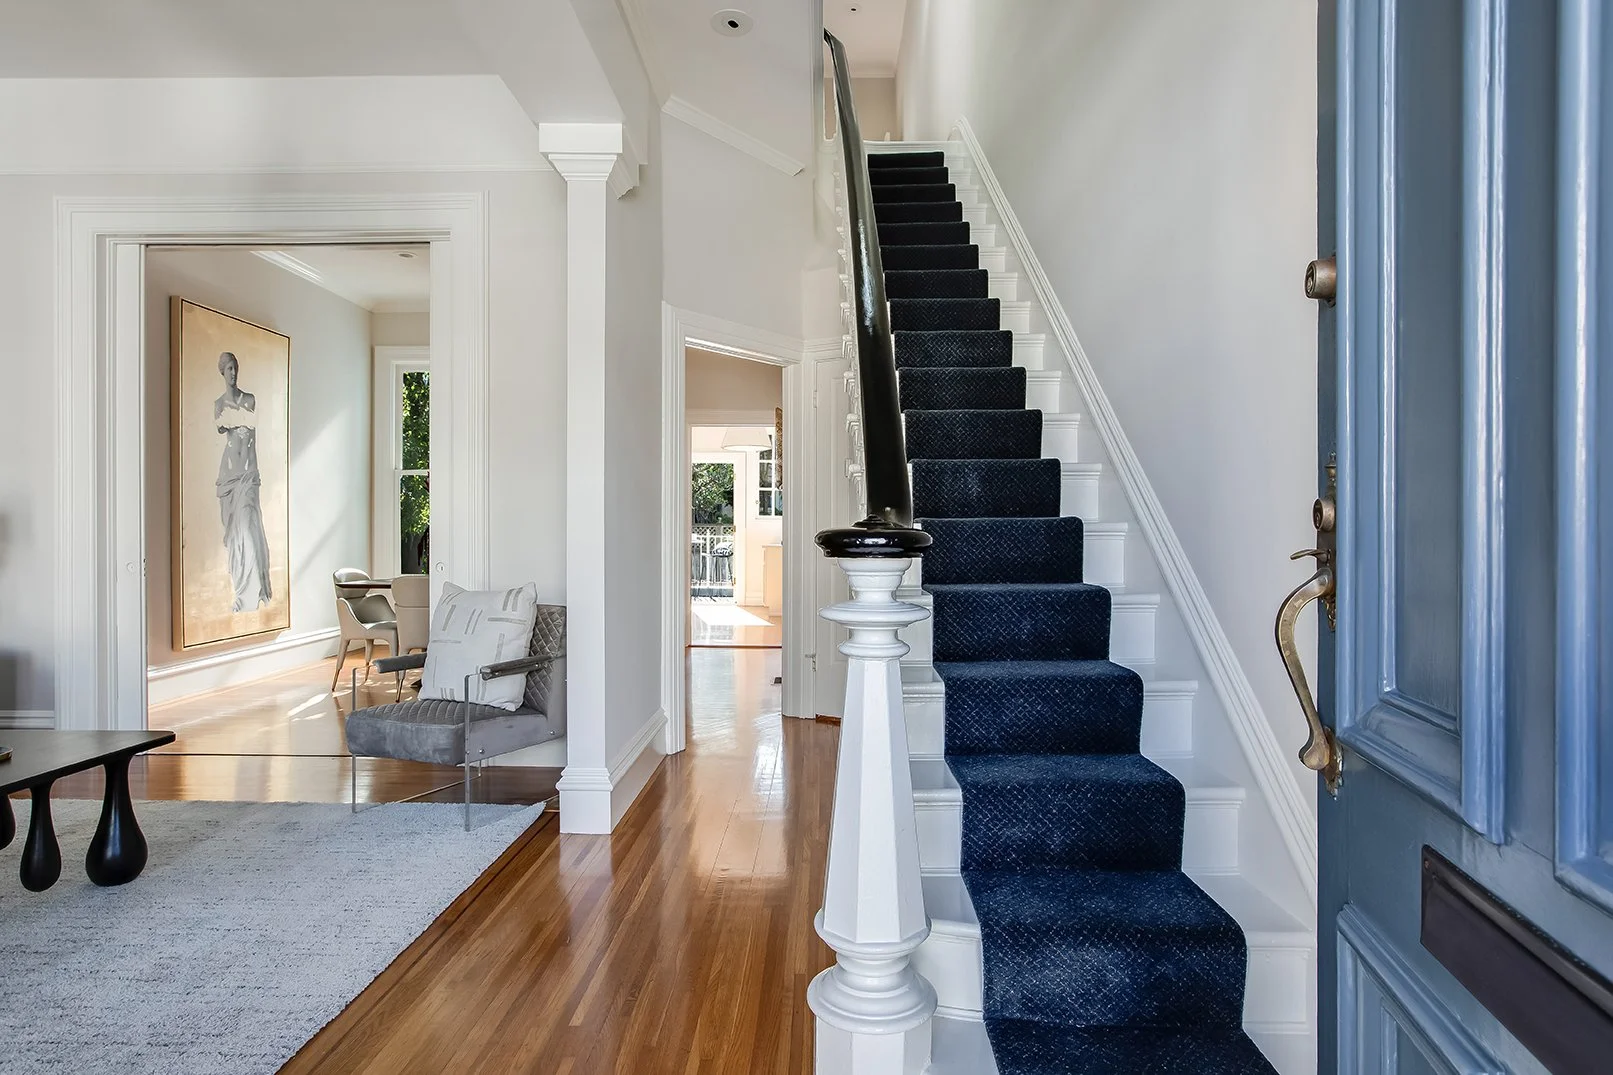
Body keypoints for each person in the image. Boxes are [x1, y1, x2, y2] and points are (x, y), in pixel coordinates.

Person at [214, 351, 273, 612]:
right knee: (234, 533)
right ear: (222, 372)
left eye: (235, 368)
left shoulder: (249, 399)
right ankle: (240, 589)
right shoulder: (219, 404)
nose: (233, 373)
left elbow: (249, 433)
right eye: (228, 369)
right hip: (229, 473)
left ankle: (253, 590)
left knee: (249, 527)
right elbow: (223, 427)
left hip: (248, 473)